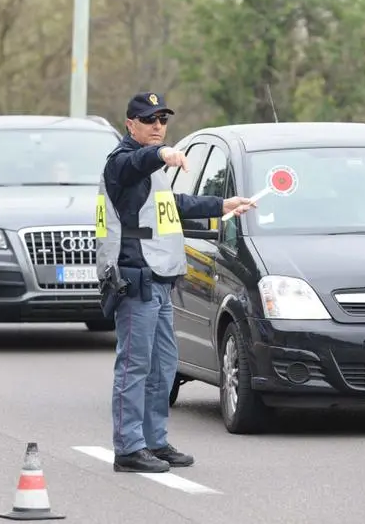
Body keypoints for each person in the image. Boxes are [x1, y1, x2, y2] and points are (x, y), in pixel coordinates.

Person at [96, 92, 256, 473]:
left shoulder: (151, 174)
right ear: (130, 123)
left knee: (163, 366)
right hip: (135, 280)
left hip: (161, 281)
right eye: (149, 120)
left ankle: (154, 441)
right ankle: (128, 448)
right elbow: (136, 160)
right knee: (134, 367)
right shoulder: (121, 164)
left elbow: (175, 204)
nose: (158, 127)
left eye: (163, 121)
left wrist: (222, 206)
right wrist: (161, 154)